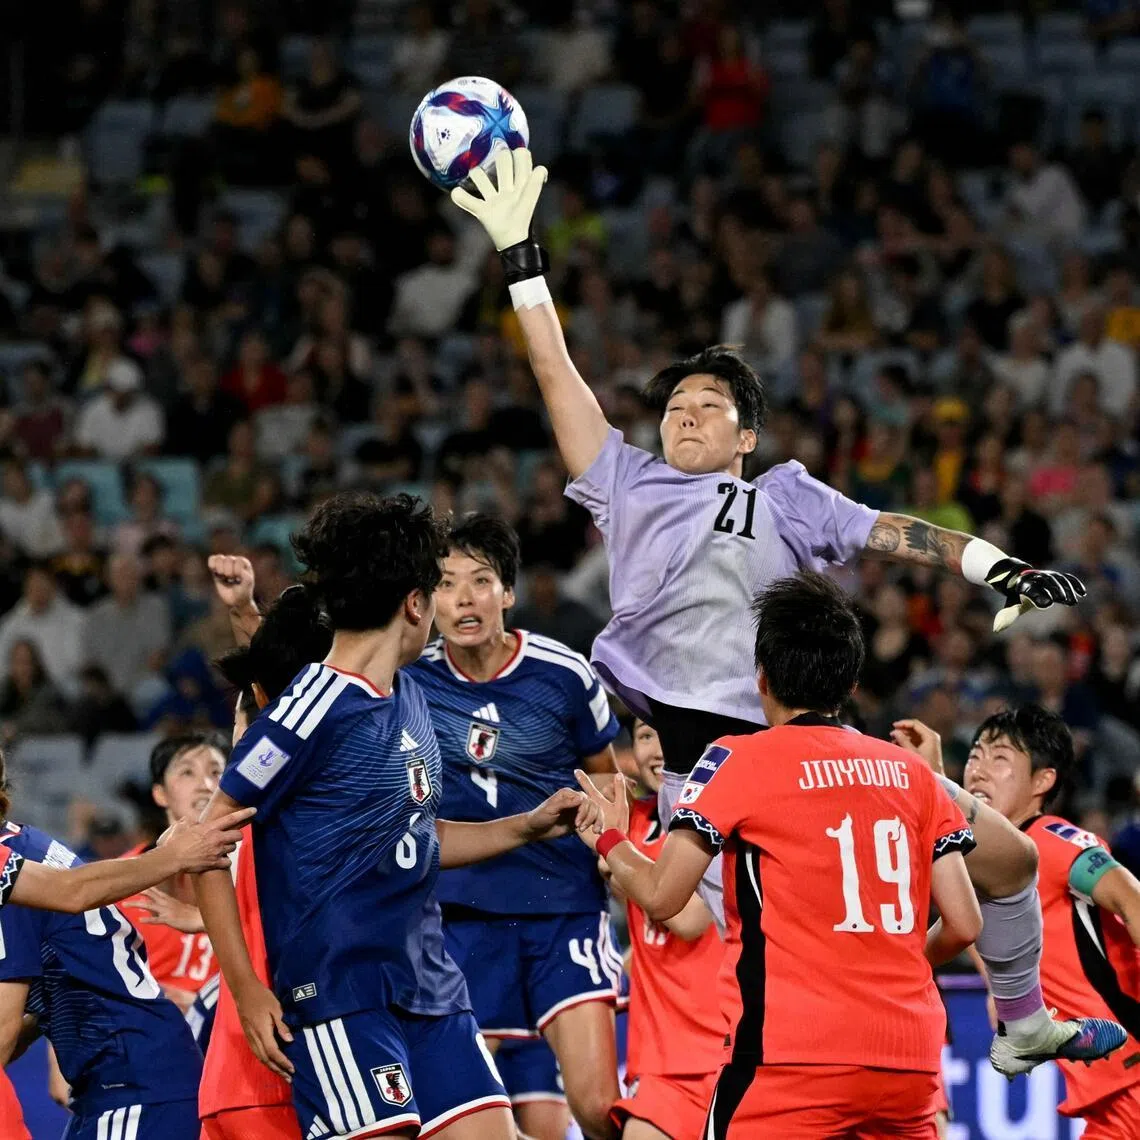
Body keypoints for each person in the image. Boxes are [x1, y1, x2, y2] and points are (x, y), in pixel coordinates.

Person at [454, 145, 1094, 1072]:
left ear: (746, 437)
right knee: (701, 940)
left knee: (1010, 860)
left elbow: (893, 532)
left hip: (810, 743)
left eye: (708, 404)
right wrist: (520, 254)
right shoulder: (623, 480)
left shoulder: (787, 495)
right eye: (674, 402)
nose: (684, 413)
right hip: (699, 762)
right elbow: (556, 371)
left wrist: (995, 566)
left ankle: (1022, 1021)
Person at [193, 492, 593, 1140]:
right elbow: (205, 841)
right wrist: (246, 989)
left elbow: (418, 837)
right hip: (341, 997)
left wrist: (523, 825)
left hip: (431, 987)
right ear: (415, 604)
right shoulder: (312, 707)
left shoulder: (406, 692)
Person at [573, 572, 982, 1137]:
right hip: (908, 1060)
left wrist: (610, 840)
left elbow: (664, 896)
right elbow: (963, 922)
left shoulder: (736, 761)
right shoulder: (914, 773)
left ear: (761, 678)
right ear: (851, 681)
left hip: (790, 1058)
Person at [405, 514, 622, 1140]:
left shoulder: (563, 673)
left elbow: (606, 779)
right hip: (454, 920)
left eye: (481, 581)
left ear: (508, 592)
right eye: (446, 585)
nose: (464, 599)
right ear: (427, 600)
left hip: (562, 909)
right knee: (454, 1119)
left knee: (596, 1106)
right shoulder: (409, 682)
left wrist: (611, 847)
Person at [0, 751, 250, 1140]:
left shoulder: (11, 866)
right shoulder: (25, 844)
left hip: (133, 1079)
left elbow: (3, 1028)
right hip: (127, 1079)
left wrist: (174, 856)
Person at [957, 705, 1140, 1138]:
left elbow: (1133, 901)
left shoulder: (1049, 842)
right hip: (1113, 1096)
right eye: (974, 756)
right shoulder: (978, 869)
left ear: (1043, 781)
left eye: (1000, 759)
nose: (979, 771)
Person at [609, 718, 723, 1140]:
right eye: (643, 736)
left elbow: (691, 919)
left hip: (731, 1057)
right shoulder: (630, 822)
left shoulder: (722, 822)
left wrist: (616, 864)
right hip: (661, 1066)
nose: (656, 750)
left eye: (666, 732)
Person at [117, 734, 227, 1013]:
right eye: (187, 772)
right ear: (160, 793)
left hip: (231, 1031)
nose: (206, 786)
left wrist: (201, 1009)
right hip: (153, 1035)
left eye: (216, 772)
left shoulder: (254, 870)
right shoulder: (121, 885)